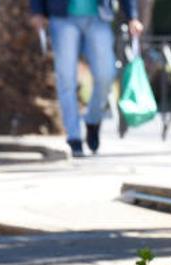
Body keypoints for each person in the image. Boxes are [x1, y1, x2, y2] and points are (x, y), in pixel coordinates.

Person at [29, 0, 143, 156]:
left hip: (98, 16)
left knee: (106, 74)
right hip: (62, 17)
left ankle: (93, 120)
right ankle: (74, 137)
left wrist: (132, 16)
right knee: (66, 79)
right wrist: (37, 11)